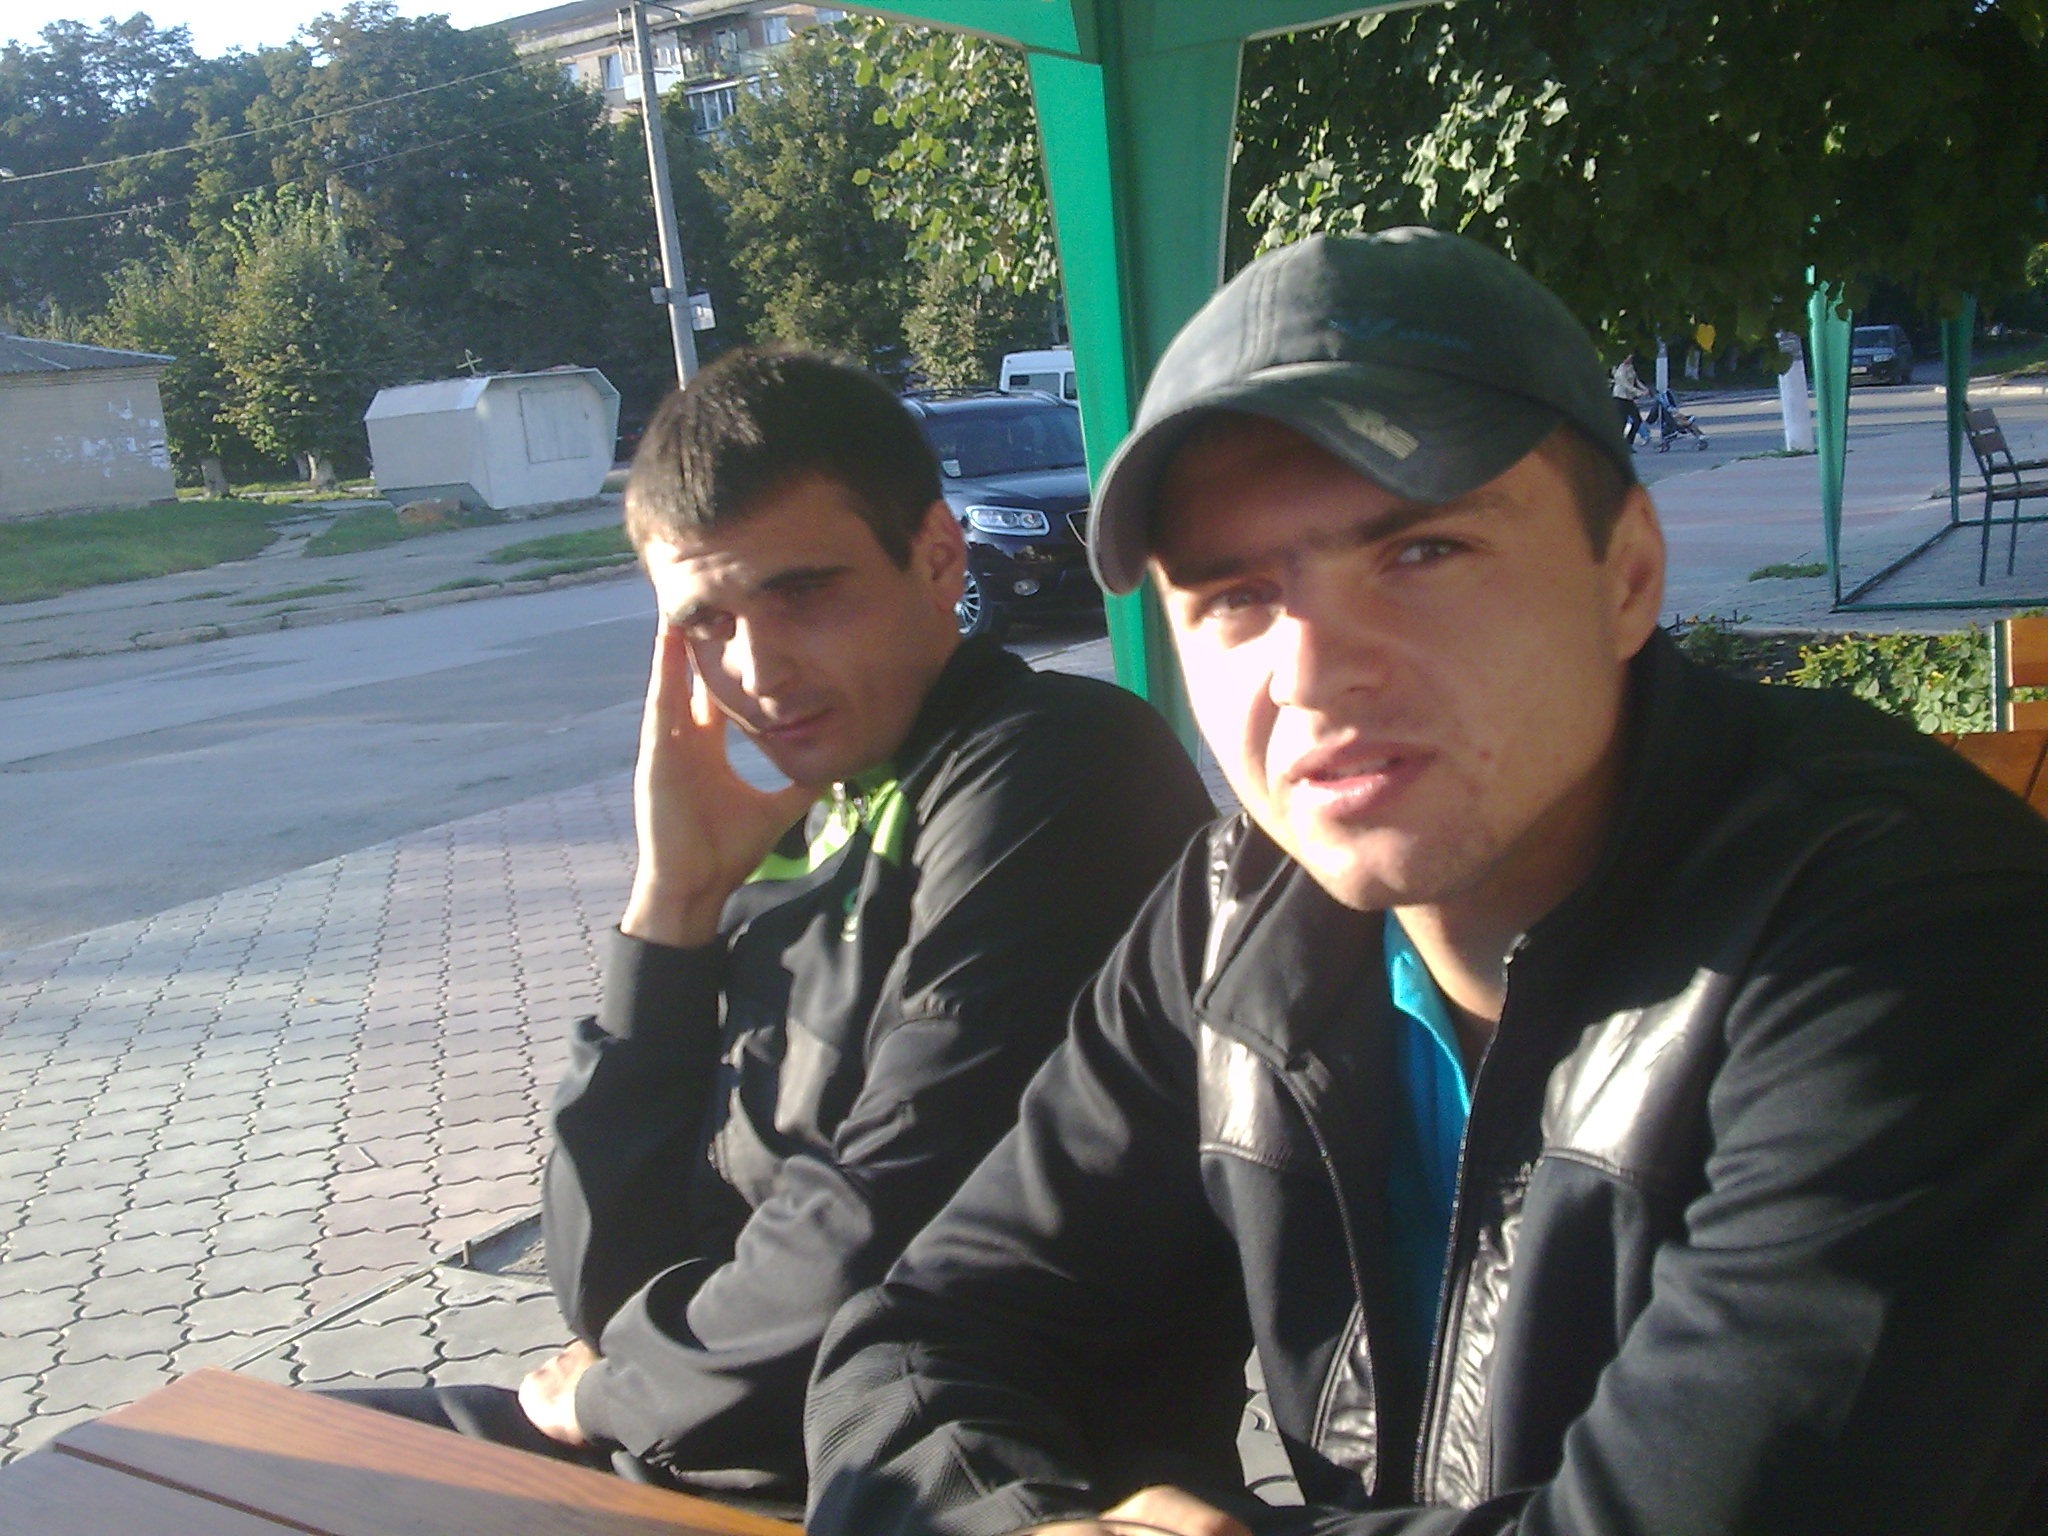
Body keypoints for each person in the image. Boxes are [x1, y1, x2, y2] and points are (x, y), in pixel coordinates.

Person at [805, 230, 2048, 1536]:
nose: (1311, 669)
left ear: (1627, 576)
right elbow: (912, 1345)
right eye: (1234, 595)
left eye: (1420, 553)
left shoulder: (1911, 939)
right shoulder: (1233, 917)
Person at [335, 347, 1211, 1500]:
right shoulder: (803, 823)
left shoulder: (1059, 766)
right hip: (702, 1434)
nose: (758, 670)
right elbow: (602, 1282)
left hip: (946, 1480)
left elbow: (885, 1234)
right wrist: (671, 908)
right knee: (200, 1457)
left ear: (938, 557)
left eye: (803, 593)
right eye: (706, 621)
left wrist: (609, 1392)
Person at [1610, 353, 1645, 448]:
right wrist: (1639, 393)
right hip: (1620, 398)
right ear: (1623, 358)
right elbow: (1626, 385)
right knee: (1622, 423)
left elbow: (1636, 380)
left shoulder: (1630, 367)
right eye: (1629, 357)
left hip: (1629, 399)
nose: (1631, 358)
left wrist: (1644, 388)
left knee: (1637, 421)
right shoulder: (1620, 370)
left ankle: (1628, 443)